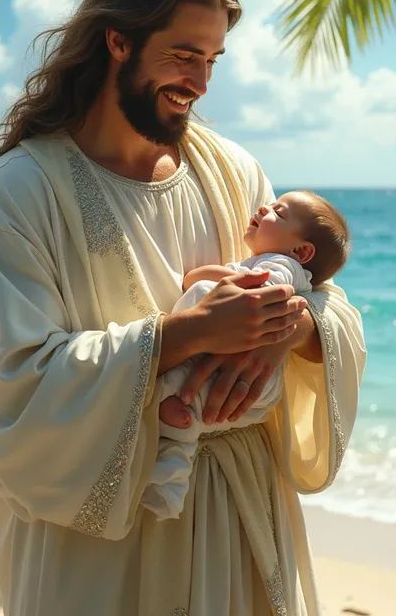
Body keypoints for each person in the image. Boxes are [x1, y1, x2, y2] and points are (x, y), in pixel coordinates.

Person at [0, 0, 366, 616]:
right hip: (101, 548)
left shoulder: (231, 169)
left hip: (242, 525)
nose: (201, 80)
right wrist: (177, 337)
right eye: (184, 54)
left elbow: (319, 294)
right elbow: (8, 387)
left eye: (213, 60)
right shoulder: (20, 192)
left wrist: (292, 326)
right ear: (117, 40)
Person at [141, 190, 351, 520]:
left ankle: (171, 475)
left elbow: (265, 289)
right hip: (246, 377)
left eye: (279, 214)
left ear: (301, 251)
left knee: (198, 304)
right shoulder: (263, 262)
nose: (265, 207)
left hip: (249, 375)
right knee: (180, 418)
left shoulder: (284, 265)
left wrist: (206, 276)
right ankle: (170, 482)